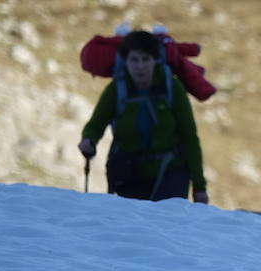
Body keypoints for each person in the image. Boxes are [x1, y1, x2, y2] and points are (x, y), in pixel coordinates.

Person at [78, 30, 210, 204]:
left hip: (171, 171)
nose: (140, 66)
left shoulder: (171, 87)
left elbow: (189, 137)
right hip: (129, 173)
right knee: (136, 228)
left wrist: (199, 187)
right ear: (126, 61)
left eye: (146, 59)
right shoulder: (116, 90)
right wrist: (89, 140)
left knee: (167, 222)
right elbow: (96, 125)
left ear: (155, 60)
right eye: (134, 60)